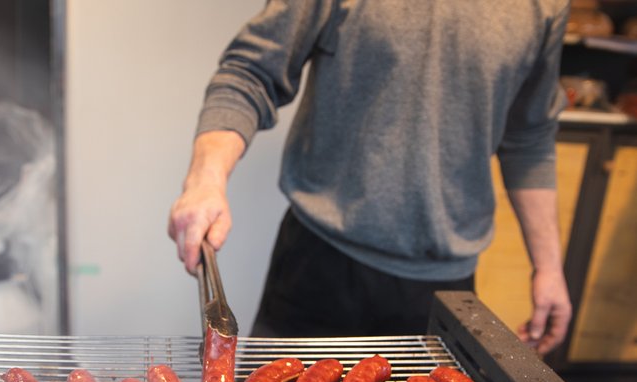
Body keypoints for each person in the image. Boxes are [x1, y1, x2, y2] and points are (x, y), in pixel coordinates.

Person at [168, 0, 573, 355]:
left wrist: (549, 268)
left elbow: (529, 135)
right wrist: (205, 180)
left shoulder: (545, 5)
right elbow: (250, 72)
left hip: (445, 286)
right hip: (318, 268)